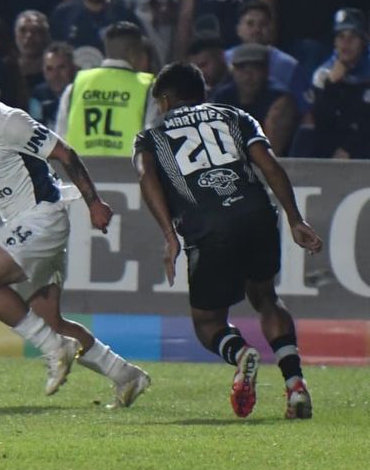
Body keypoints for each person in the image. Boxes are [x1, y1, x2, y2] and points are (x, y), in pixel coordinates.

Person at [0, 50, 150, 407]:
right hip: (23, 224)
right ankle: (126, 375)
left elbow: (65, 153)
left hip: (43, 216)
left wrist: (94, 202)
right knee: (52, 322)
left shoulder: (7, 122)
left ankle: (55, 349)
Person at [133, 61, 322, 419]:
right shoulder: (235, 116)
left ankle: (241, 353)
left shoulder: (151, 135)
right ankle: (295, 385)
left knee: (208, 323)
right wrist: (295, 219)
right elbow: (269, 165)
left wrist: (169, 236)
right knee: (266, 298)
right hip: (257, 213)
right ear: (201, 93)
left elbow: (146, 178)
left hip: (208, 226)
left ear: (166, 100)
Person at [55, 21, 155, 157]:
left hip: (81, 168)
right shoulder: (148, 87)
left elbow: (60, 139)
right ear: (133, 52)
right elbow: (153, 140)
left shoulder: (76, 87)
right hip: (128, 168)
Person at [306, 7, 370, 159]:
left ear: (364, 41)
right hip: (333, 144)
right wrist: (332, 85)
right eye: (341, 36)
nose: (346, 43)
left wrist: (349, 148)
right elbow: (322, 122)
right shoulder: (323, 74)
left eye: (353, 36)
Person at [214, 43, 296, 156]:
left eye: (255, 68)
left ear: (266, 71)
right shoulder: (223, 96)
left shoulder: (280, 98)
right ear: (233, 71)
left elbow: (272, 152)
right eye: (241, 68)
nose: (248, 75)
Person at [30, 41, 76, 129]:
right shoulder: (38, 95)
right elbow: (34, 129)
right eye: (49, 69)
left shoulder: (82, 93)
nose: (55, 74)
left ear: (73, 68)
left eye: (61, 67)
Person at [14, 10, 51, 90]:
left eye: (36, 31)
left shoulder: (57, 71)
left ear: (46, 35)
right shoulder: (5, 69)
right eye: (23, 30)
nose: (29, 36)